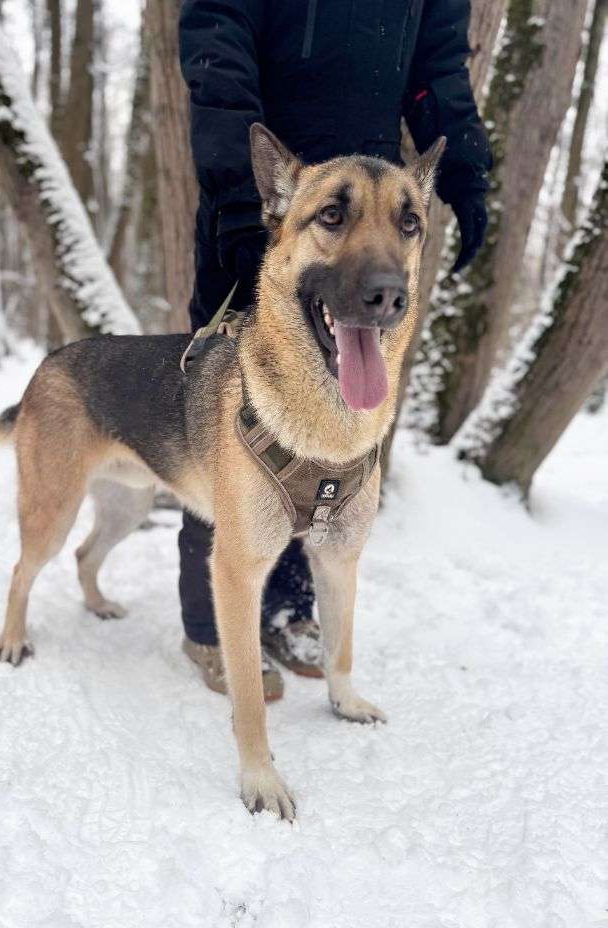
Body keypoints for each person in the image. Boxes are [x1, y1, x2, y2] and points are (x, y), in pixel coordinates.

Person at [177, 0, 492, 698]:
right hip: (271, 199)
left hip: (377, 207)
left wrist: (465, 167)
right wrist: (236, 192)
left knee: (333, 422)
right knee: (223, 423)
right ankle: (208, 622)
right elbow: (217, 46)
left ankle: (287, 607)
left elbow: (435, 66)